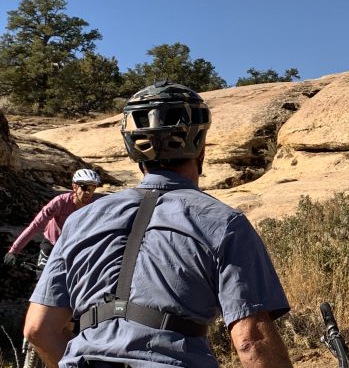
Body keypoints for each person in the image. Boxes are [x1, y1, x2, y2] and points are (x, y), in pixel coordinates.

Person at [24, 81, 292, 368]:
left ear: (133, 149)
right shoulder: (223, 222)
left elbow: (39, 329)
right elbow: (251, 341)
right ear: (200, 147)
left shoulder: (81, 220)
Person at [3, 168, 101, 271]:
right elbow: (36, 225)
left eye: (92, 188)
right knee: (43, 279)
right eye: (84, 187)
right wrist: (14, 250)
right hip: (51, 245)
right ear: (74, 186)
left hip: (75, 247)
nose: (88, 192)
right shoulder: (59, 202)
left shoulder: (95, 206)